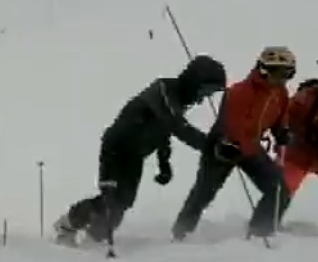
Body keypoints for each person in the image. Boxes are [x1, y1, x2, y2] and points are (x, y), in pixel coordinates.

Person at [51, 55, 227, 247]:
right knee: (111, 200)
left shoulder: (178, 102)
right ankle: (67, 225)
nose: (204, 98)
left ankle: (91, 242)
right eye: (206, 90)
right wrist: (210, 146)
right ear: (194, 81)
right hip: (117, 146)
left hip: (135, 154)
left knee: (122, 203)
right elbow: (176, 125)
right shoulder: (163, 90)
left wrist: (164, 163)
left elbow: (164, 131)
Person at [172, 47, 295, 240]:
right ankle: (181, 231)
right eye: (277, 72)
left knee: (279, 190)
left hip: (250, 148)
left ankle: (260, 232)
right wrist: (230, 146)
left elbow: (280, 116)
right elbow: (233, 126)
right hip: (222, 147)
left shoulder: (279, 93)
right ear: (264, 69)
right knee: (203, 193)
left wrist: (282, 132)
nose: (281, 78)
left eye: (287, 73)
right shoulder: (239, 92)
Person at [278, 54, 318, 210]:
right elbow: (283, 119)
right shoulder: (308, 98)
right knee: (280, 187)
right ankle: (265, 222)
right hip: (302, 152)